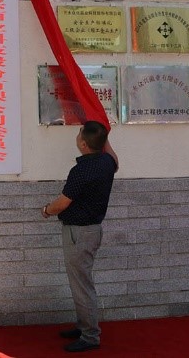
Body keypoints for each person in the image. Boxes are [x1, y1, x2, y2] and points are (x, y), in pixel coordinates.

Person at [40, 120, 118, 353]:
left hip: (79, 233)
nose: (77, 135)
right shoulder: (107, 162)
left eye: (79, 133)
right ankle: (84, 325)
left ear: (83, 144)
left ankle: (90, 336)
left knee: (82, 285)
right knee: (81, 283)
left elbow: (63, 203)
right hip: (90, 231)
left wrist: (46, 210)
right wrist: (104, 135)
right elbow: (115, 159)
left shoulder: (81, 170)